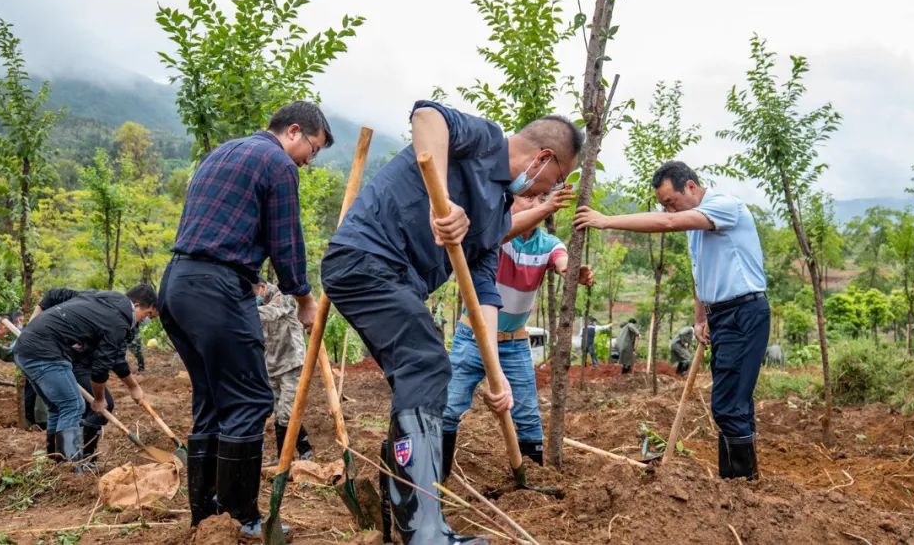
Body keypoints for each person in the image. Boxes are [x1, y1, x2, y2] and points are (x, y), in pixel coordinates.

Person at [321, 99, 582, 545]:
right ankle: (423, 531)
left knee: (418, 379)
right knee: (427, 363)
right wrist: (438, 199)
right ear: (543, 159)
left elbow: (483, 295)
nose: (541, 195)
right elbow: (427, 116)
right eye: (550, 184)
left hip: (398, 282)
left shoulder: (497, 213)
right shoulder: (483, 140)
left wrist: (497, 378)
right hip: (365, 259)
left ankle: (399, 516)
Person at [158, 101, 328, 535]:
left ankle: (207, 518)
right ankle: (241, 519)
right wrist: (304, 298)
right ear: (294, 131)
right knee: (251, 400)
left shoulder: (223, 152)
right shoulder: (277, 164)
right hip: (217, 288)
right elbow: (286, 240)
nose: (310, 160)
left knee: (213, 400)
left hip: (177, 284)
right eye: (314, 148)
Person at [575, 160, 769, 480]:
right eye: (664, 205)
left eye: (671, 202)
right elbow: (701, 275)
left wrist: (606, 220)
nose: (669, 210)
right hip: (721, 316)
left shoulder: (724, 206)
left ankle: (739, 483)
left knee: (728, 405)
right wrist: (700, 318)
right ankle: (741, 480)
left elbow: (666, 225)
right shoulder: (697, 230)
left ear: (690, 187)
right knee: (734, 403)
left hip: (743, 313)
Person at [442, 191, 592, 477]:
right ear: (510, 202)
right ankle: (438, 479)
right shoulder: (496, 237)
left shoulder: (548, 244)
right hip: (471, 339)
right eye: (529, 198)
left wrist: (574, 272)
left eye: (542, 200)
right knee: (449, 408)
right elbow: (494, 236)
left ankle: (530, 484)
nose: (536, 205)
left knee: (527, 416)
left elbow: (561, 260)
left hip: (515, 344)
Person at [13, 285, 157, 471]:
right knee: (73, 405)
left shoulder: (100, 298)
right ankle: (71, 468)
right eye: (146, 315)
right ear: (136, 305)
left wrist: (132, 387)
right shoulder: (118, 321)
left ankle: (55, 463)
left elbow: (114, 359)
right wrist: (99, 399)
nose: (144, 320)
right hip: (45, 351)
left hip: (27, 349)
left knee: (58, 407)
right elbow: (101, 367)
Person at [254, 281, 313, 463]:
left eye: (254, 293)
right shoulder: (259, 304)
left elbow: (272, 313)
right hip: (272, 366)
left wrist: (241, 311)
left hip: (291, 364)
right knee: (281, 411)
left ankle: (283, 458)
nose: (252, 298)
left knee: (286, 413)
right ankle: (305, 449)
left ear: (262, 287)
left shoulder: (285, 295)